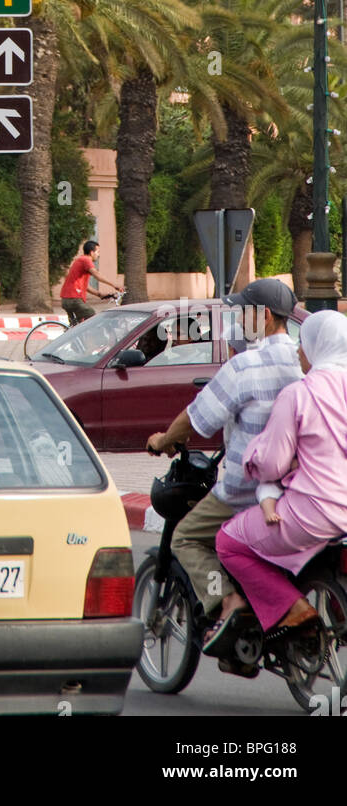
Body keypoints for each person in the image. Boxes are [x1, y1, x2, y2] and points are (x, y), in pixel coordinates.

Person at [146, 278, 302, 670]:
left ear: (264, 317)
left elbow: (197, 418)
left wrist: (164, 439)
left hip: (244, 489)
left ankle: (228, 601)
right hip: (296, 490)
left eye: (243, 312)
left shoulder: (245, 365)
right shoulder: (301, 362)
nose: (237, 318)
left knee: (186, 537)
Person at [213, 311, 347, 644]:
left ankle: (292, 606)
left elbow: (272, 465)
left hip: (313, 512)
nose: (300, 352)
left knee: (228, 542)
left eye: (304, 345)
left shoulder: (298, 394)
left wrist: (250, 457)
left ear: (317, 346)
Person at [59, 240, 122, 325]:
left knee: (78, 326)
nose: (99, 255)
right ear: (92, 252)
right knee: (92, 316)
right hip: (74, 299)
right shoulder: (86, 260)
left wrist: (99, 294)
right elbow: (97, 275)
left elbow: (86, 286)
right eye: (98, 252)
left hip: (67, 299)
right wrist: (114, 285)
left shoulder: (80, 260)